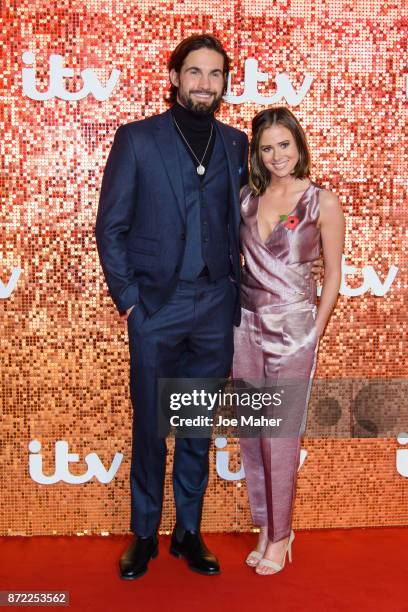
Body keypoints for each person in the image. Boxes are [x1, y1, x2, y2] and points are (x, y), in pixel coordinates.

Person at [95, 34, 249, 579]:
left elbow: (251, 221)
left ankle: (187, 531)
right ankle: (144, 533)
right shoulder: (137, 139)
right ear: (174, 77)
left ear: (224, 83)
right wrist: (131, 302)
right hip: (156, 307)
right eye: (194, 72)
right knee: (150, 426)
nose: (204, 83)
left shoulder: (236, 145)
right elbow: (110, 227)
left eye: (214, 74)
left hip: (214, 306)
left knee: (195, 424)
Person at [232, 107, 344, 575]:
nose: (277, 155)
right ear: (256, 153)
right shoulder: (245, 199)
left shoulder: (322, 202)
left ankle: (281, 535)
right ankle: (265, 526)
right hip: (244, 326)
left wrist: (312, 331)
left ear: (298, 144)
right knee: (252, 435)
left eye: (284, 144)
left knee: (280, 437)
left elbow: (333, 274)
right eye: (266, 147)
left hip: (293, 329)